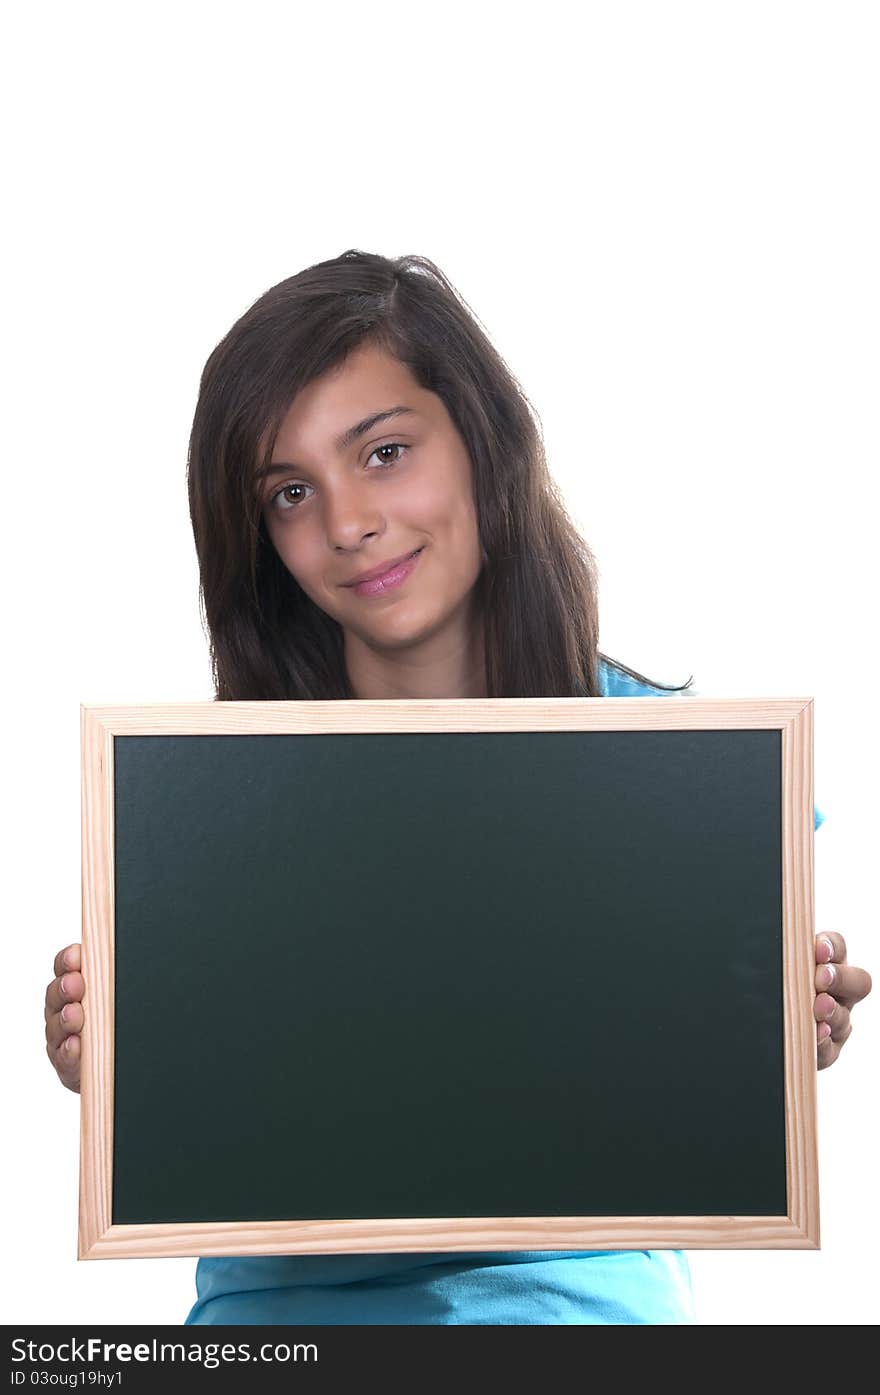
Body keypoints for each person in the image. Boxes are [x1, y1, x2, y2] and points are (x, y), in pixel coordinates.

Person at [45, 250, 872, 1324]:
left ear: (482, 440)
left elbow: (684, 1102)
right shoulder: (209, 808)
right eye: (291, 493)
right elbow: (224, 1117)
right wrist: (119, 1072)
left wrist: (767, 1040)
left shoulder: (688, 771)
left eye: (384, 453)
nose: (346, 523)